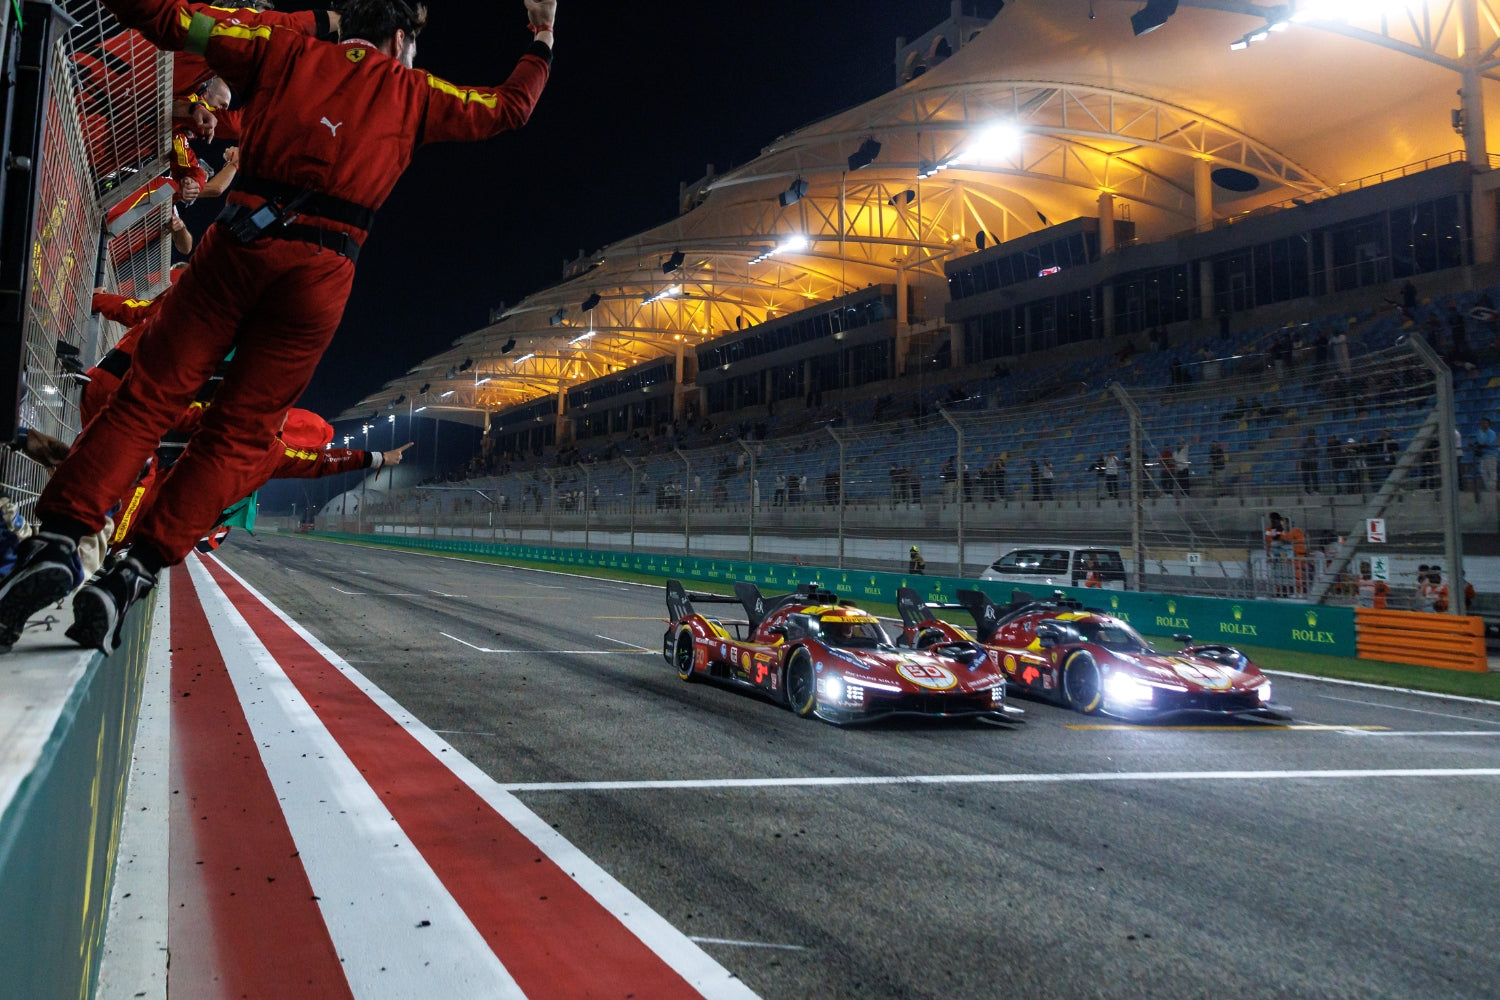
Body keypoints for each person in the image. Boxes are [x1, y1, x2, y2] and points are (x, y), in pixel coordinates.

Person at [0, 0, 557, 653]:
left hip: (239, 241)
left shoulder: (285, 45)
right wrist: (542, 35)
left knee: (148, 398)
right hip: (322, 275)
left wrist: (311, 24)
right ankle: (132, 572)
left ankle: (58, 537)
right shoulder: (415, 90)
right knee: (237, 440)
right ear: (402, 39)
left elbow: (179, 22)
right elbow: (509, 109)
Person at [1474, 417, 1497, 492]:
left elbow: (1488, 443)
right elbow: (1476, 441)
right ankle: (1488, 487)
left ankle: (1492, 488)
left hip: (1491, 455)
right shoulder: (1479, 432)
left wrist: (1481, 444)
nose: (1483, 424)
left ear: (1489, 424)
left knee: (1491, 472)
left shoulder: (1491, 433)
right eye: (1482, 423)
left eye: (1485, 423)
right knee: (1483, 472)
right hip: (1483, 455)